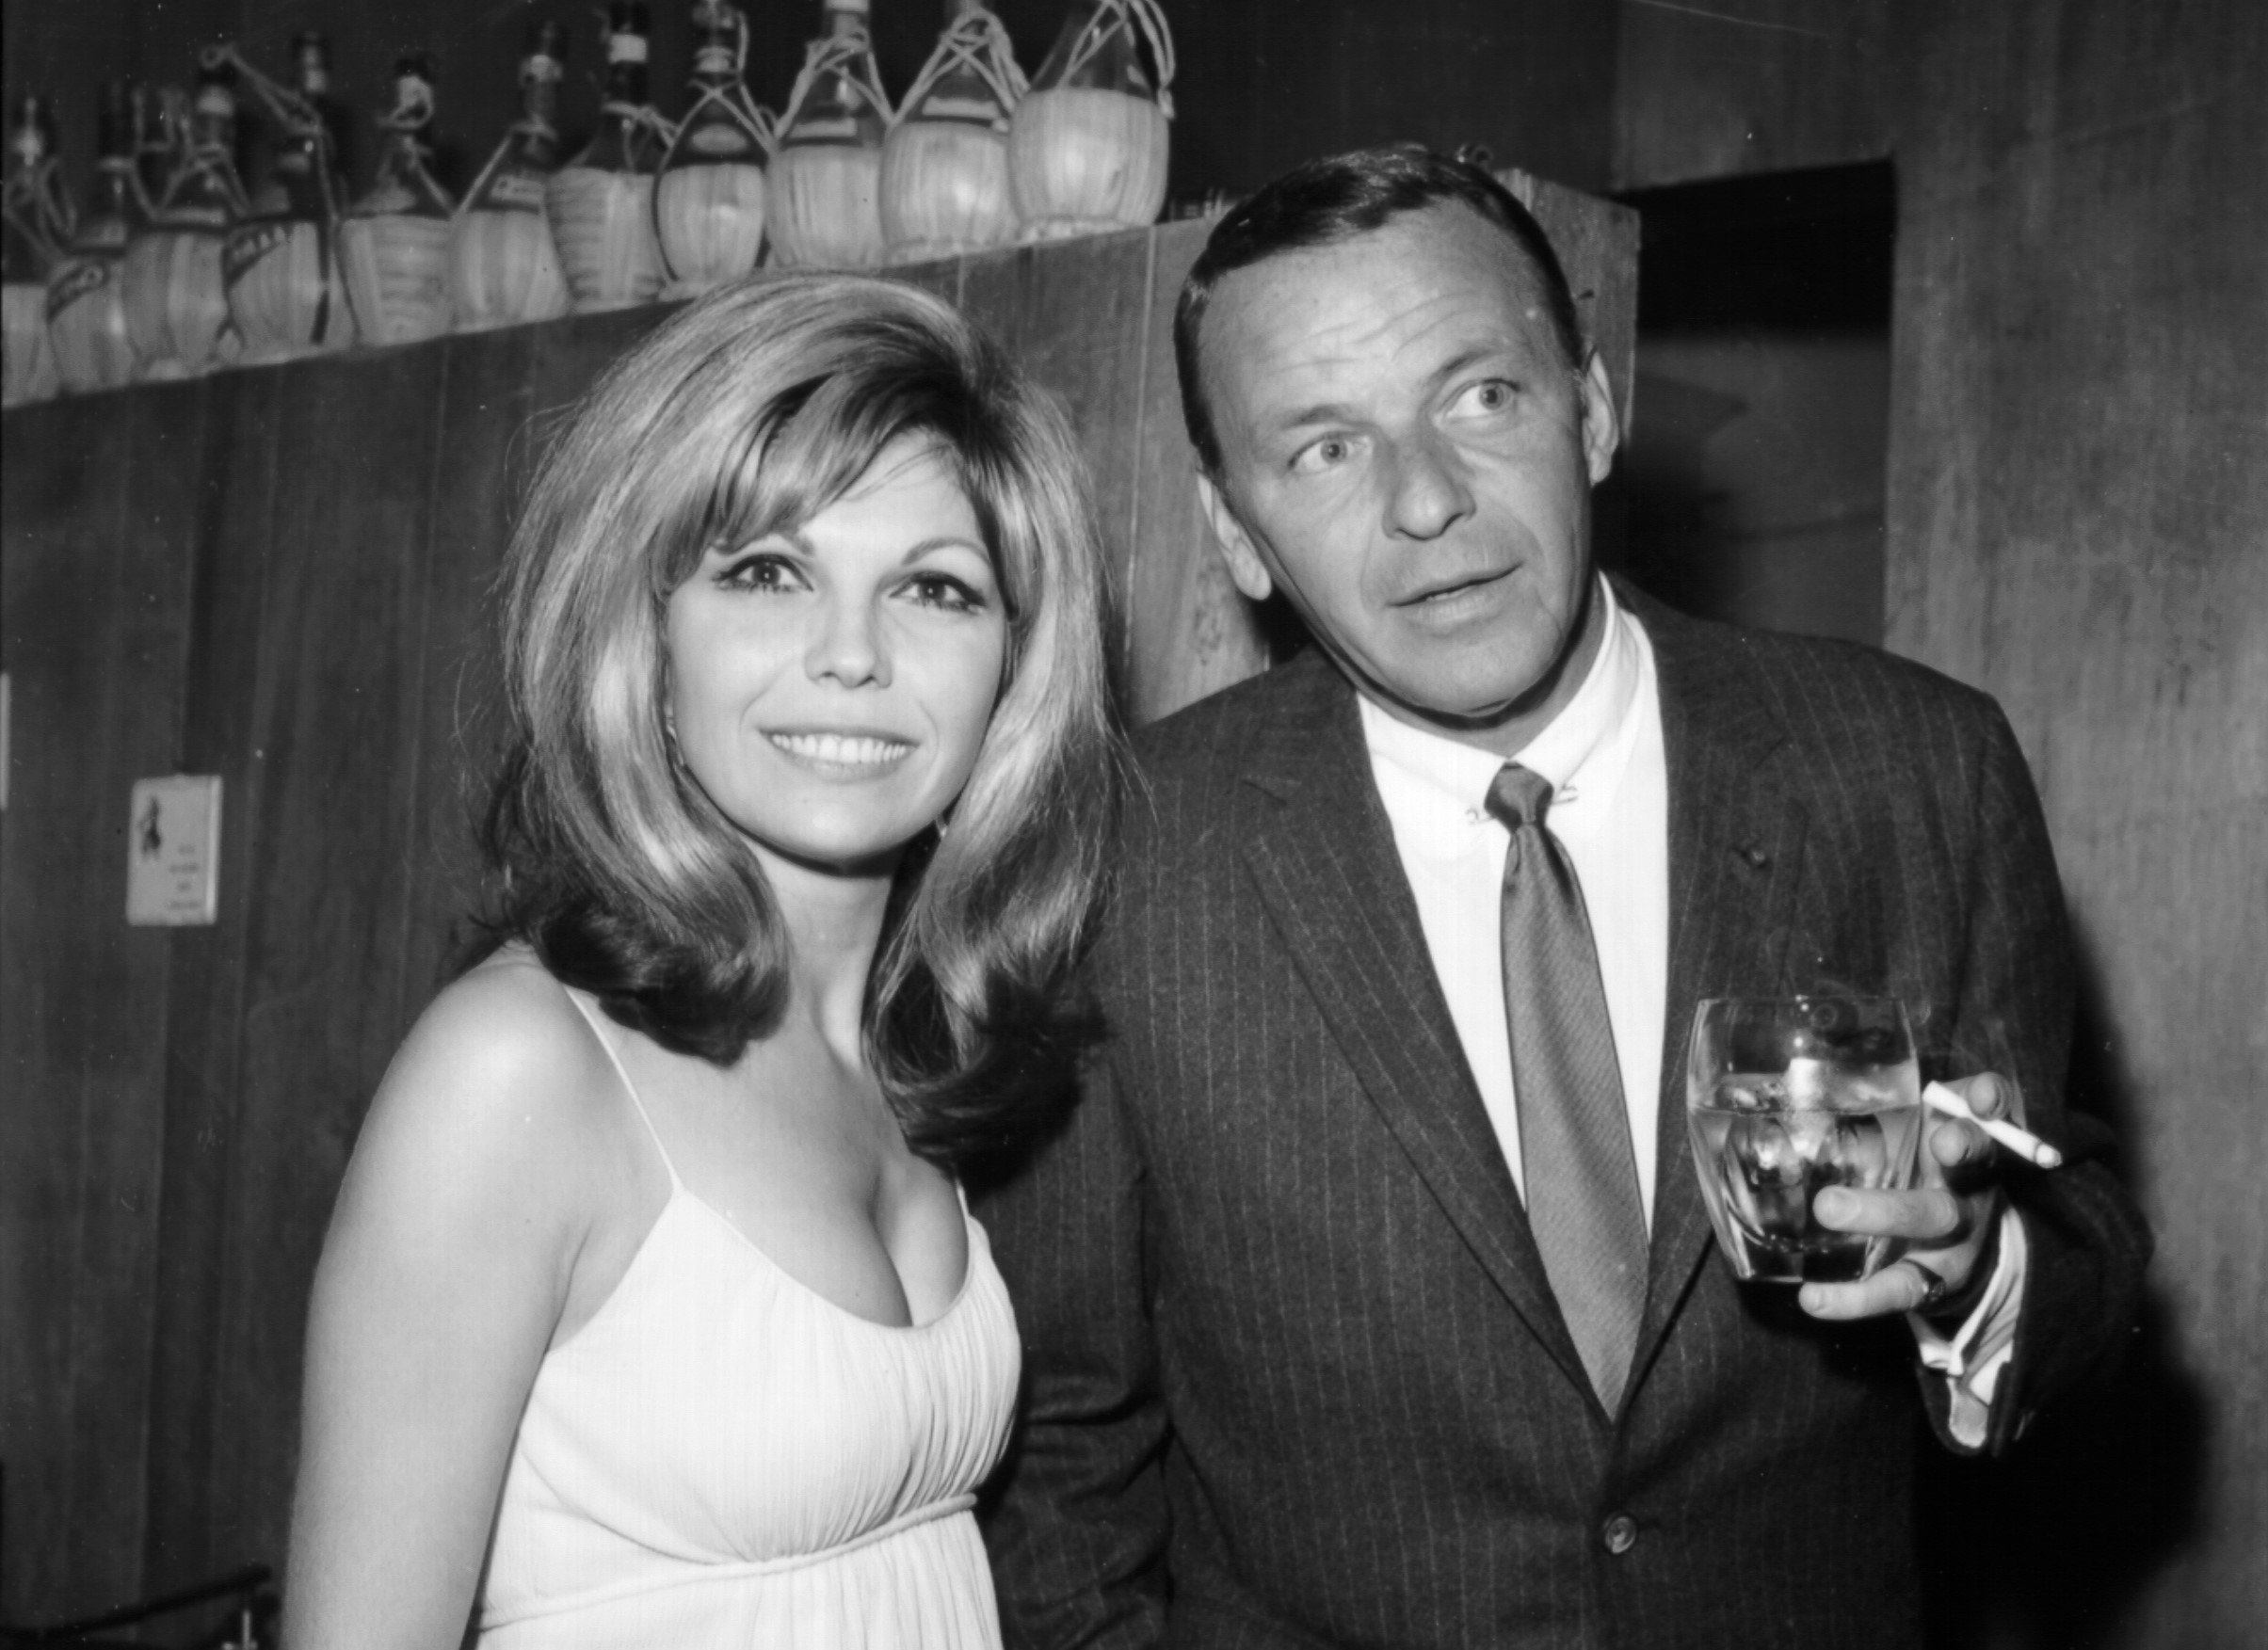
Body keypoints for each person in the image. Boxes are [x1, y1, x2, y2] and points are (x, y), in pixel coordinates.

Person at [976, 148, 2151, 1649]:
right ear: (1233, 534)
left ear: (1590, 410)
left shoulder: (1912, 766)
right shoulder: (1117, 858)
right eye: (1323, 448)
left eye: (1480, 396)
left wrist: (1977, 1270)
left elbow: (2080, 1234)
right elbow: (1060, 1461)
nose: (1424, 500)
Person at [282, 274, 1121, 1647]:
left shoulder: (907, 1048)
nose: (851, 656)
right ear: (649, 641)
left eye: (933, 588)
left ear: (1010, 673)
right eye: (768, 573)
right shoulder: (518, 1070)